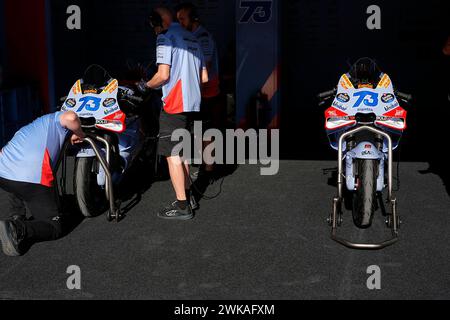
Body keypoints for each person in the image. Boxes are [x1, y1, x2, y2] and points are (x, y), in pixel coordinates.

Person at [138, 6, 208, 220]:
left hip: (175, 104)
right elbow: (204, 78)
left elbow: (163, 75)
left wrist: (145, 86)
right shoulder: (194, 38)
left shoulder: (165, 38)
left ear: (158, 23)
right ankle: (188, 196)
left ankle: (182, 206)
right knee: (183, 153)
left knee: (173, 156)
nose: (154, 31)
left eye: (154, 26)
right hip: (194, 104)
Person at [0, 110, 86, 256]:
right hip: (31, 181)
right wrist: (80, 133)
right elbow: (71, 117)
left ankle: (16, 215)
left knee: (16, 178)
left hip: (3, 174)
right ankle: (18, 228)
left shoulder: (31, 128)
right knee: (55, 226)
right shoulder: (56, 119)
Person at [176, 2, 223, 177]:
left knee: (205, 132)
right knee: (198, 130)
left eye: (182, 19)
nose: (179, 23)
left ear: (193, 19)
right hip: (198, 91)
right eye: (178, 19)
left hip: (206, 92)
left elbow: (205, 65)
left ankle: (209, 169)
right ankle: (205, 166)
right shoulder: (191, 36)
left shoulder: (202, 37)